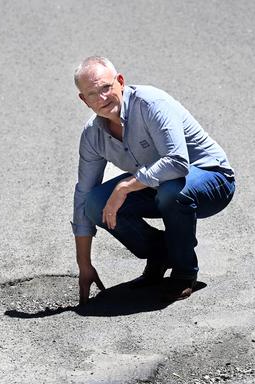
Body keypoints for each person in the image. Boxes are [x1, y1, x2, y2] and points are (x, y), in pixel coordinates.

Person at [72, 56, 236, 305]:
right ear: (84, 100)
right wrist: (84, 265)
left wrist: (125, 187)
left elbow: (177, 163)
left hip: (212, 179)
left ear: (120, 82)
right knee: (95, 203)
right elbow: (83, 195)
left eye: (106, 88)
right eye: (92, 94)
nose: (102, 98)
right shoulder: (93, 134)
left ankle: (184, 272)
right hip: (158, 185)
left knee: (171, 190)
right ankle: (163, 253)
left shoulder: (150, 103)